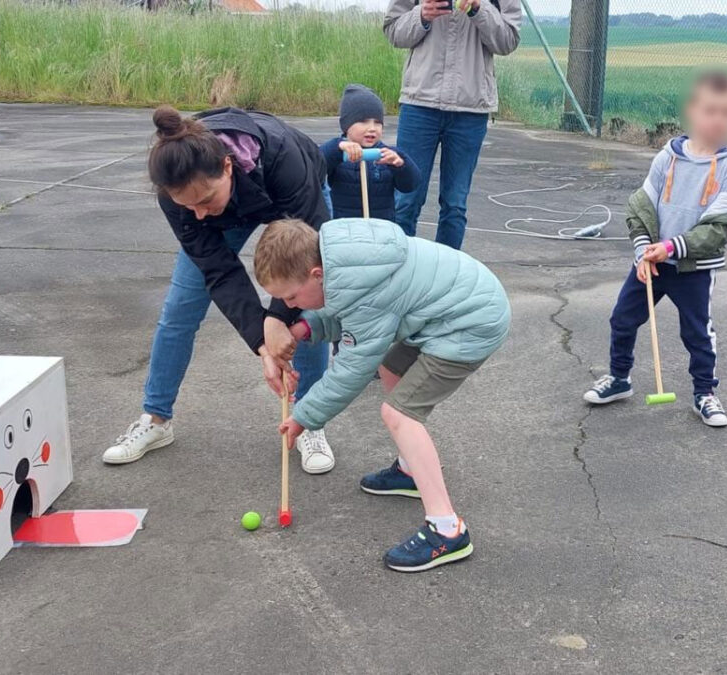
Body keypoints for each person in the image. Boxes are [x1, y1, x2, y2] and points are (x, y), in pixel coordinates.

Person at [253, 218, 511, 572]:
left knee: (399, 414)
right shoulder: (343, 264)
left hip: (469, 325)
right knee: (392, 368)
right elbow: (343, 312)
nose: (287, 304)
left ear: (316, 274)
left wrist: (304, 416)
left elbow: (354, 365)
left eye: (291, 297)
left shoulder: (363, 288)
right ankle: (409, 472)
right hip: (445, 316)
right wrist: (303, 326)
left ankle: (447, 530)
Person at [102, 106, 337, 474]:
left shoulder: (283, 157)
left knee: (308, 299)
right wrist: (262, 342)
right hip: (230, 209)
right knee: (180, 309)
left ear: (228, 166)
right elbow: (220, 271)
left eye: (205, 199)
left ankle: (309, 419)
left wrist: (277, 317)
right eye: (186, 205)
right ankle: (156, 419)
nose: (197, 213)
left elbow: (305, 264)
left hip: (289, 198)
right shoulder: (179, 195)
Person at [582, 71, 727, 428]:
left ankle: (705, 393)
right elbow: (640, 208)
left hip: (694, 269)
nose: (718, 120)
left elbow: (718, 229)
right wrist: (643, 252)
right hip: (652, 265)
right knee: (622, 318)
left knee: (697, 332)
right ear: (692, 112)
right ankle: (619, 378)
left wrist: (671, 246)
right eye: (710, 110)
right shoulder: (666, 159)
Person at [383, 0, 521, 249]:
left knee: (455, 204)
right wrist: (421, 15)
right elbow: (393, 31)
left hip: (470, 108)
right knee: (406, 199)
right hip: (419, 104)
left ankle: (446, 281)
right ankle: (397, 276)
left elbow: (508, 41)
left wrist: (479, 9)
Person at [319, 84, 420, 225]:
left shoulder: (388, 154)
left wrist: (400, 165)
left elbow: (410, 185)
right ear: (346, 125)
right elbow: (315, 164)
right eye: (363, 122)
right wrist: (337, 147)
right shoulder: (338, 151)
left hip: (381, 229)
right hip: (345, 228)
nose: (372, 128)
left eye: (378, 123)